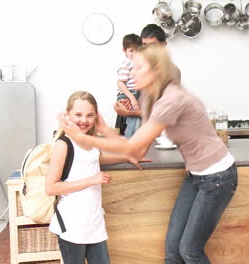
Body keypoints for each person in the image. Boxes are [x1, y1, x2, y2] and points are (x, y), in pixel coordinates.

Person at [62, 44, 238, 264]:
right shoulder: (149, 97)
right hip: (196, 175)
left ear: (155, 70)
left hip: (218, 177)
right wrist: (106, 131)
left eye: (137, 67)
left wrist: (84, 139)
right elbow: (139, 148)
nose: (132, 73)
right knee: (173, 251)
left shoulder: (172, 99)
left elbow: (131, 147)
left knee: (190, 251)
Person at [46, 91, 142, 264]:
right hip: (72, 224)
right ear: (67, 115)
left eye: (90, 115)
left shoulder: (90, 140)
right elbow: (51, 188)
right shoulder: (63, 144)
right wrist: (92, 180)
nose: (84, 120)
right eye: (78, 115)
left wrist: (125, 157)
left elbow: (94, 159)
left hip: (93, 222)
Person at [113, 24, 181, 120]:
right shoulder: (139, 67)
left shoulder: (171, 71)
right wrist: (124, 103)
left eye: (153, 46)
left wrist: (131, 112)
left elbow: (166, 111)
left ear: (163, 45)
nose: (148, 50)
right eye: (144, 45)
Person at [116, 33, 142, 138]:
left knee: (136, 121)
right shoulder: (126, 64)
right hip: (129, 94)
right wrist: (131, 98)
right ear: (124, 51)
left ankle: (129, 140)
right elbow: (120, 82)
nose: (134, 53)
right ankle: (129, 142)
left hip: (135, 94)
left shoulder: (138, 63)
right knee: (135, 121)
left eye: (137, 50)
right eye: (131, 51)